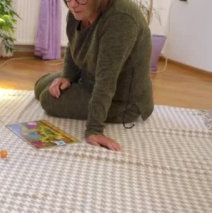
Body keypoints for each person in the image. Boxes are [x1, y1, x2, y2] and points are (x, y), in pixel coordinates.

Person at [34, 0, 154, 151]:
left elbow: (107, 81)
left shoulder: (120, 17)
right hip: (90, 76)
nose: (72, 5)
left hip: (122, 100)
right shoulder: (78, 11)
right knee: (40, 85)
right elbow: (74, 45)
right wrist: (67, 76)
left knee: (47, 99)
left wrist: (94, 130)